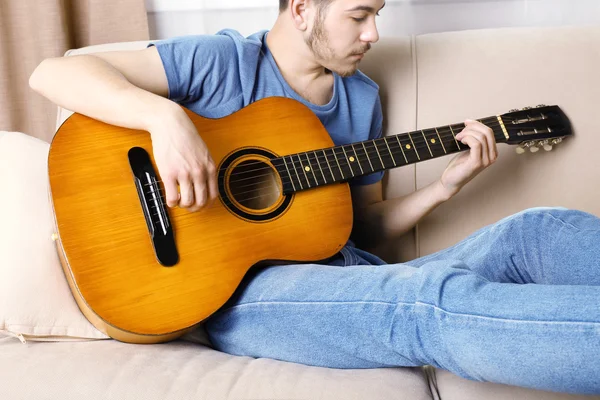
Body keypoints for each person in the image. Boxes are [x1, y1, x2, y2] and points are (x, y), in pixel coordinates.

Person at [29, 0, 600, 395]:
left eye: (377, 15)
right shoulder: (221, 61)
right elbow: (54, 72)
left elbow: (361, 230)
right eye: (359, 15)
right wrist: (164, 118)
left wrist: (443, 188)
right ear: (301, 8)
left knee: (538, 231)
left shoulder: (361, 97)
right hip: (250, 294)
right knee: (427, 302)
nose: (373, 34)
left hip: (350, 274)